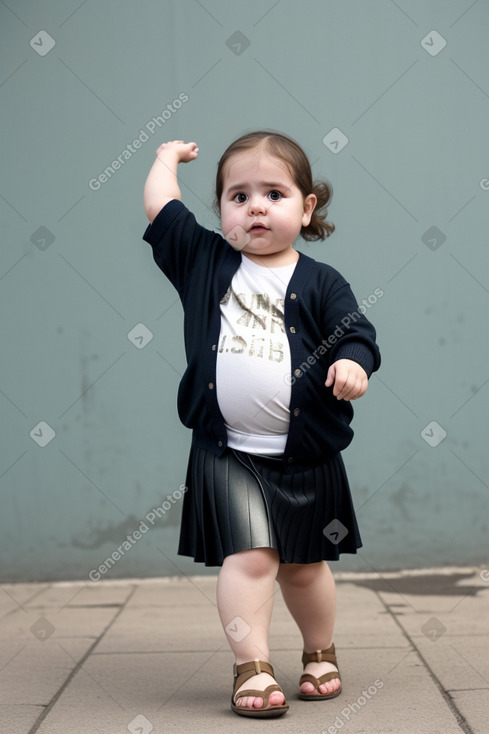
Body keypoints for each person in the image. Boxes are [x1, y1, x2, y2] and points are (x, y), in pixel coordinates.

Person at [142, 130, 381, 718]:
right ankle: (251, 666)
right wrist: (164, 159)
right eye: (237, 195)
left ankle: (319, 651)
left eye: (274, 193)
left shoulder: (321, 280)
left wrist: (352, 361)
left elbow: (356, 333)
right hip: (229, 452)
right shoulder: (205, 261)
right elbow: (160, 208)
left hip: (308, 455)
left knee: (305, 566)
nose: (255, 207)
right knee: (249, 557)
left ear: (306, 208)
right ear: (221, 210)